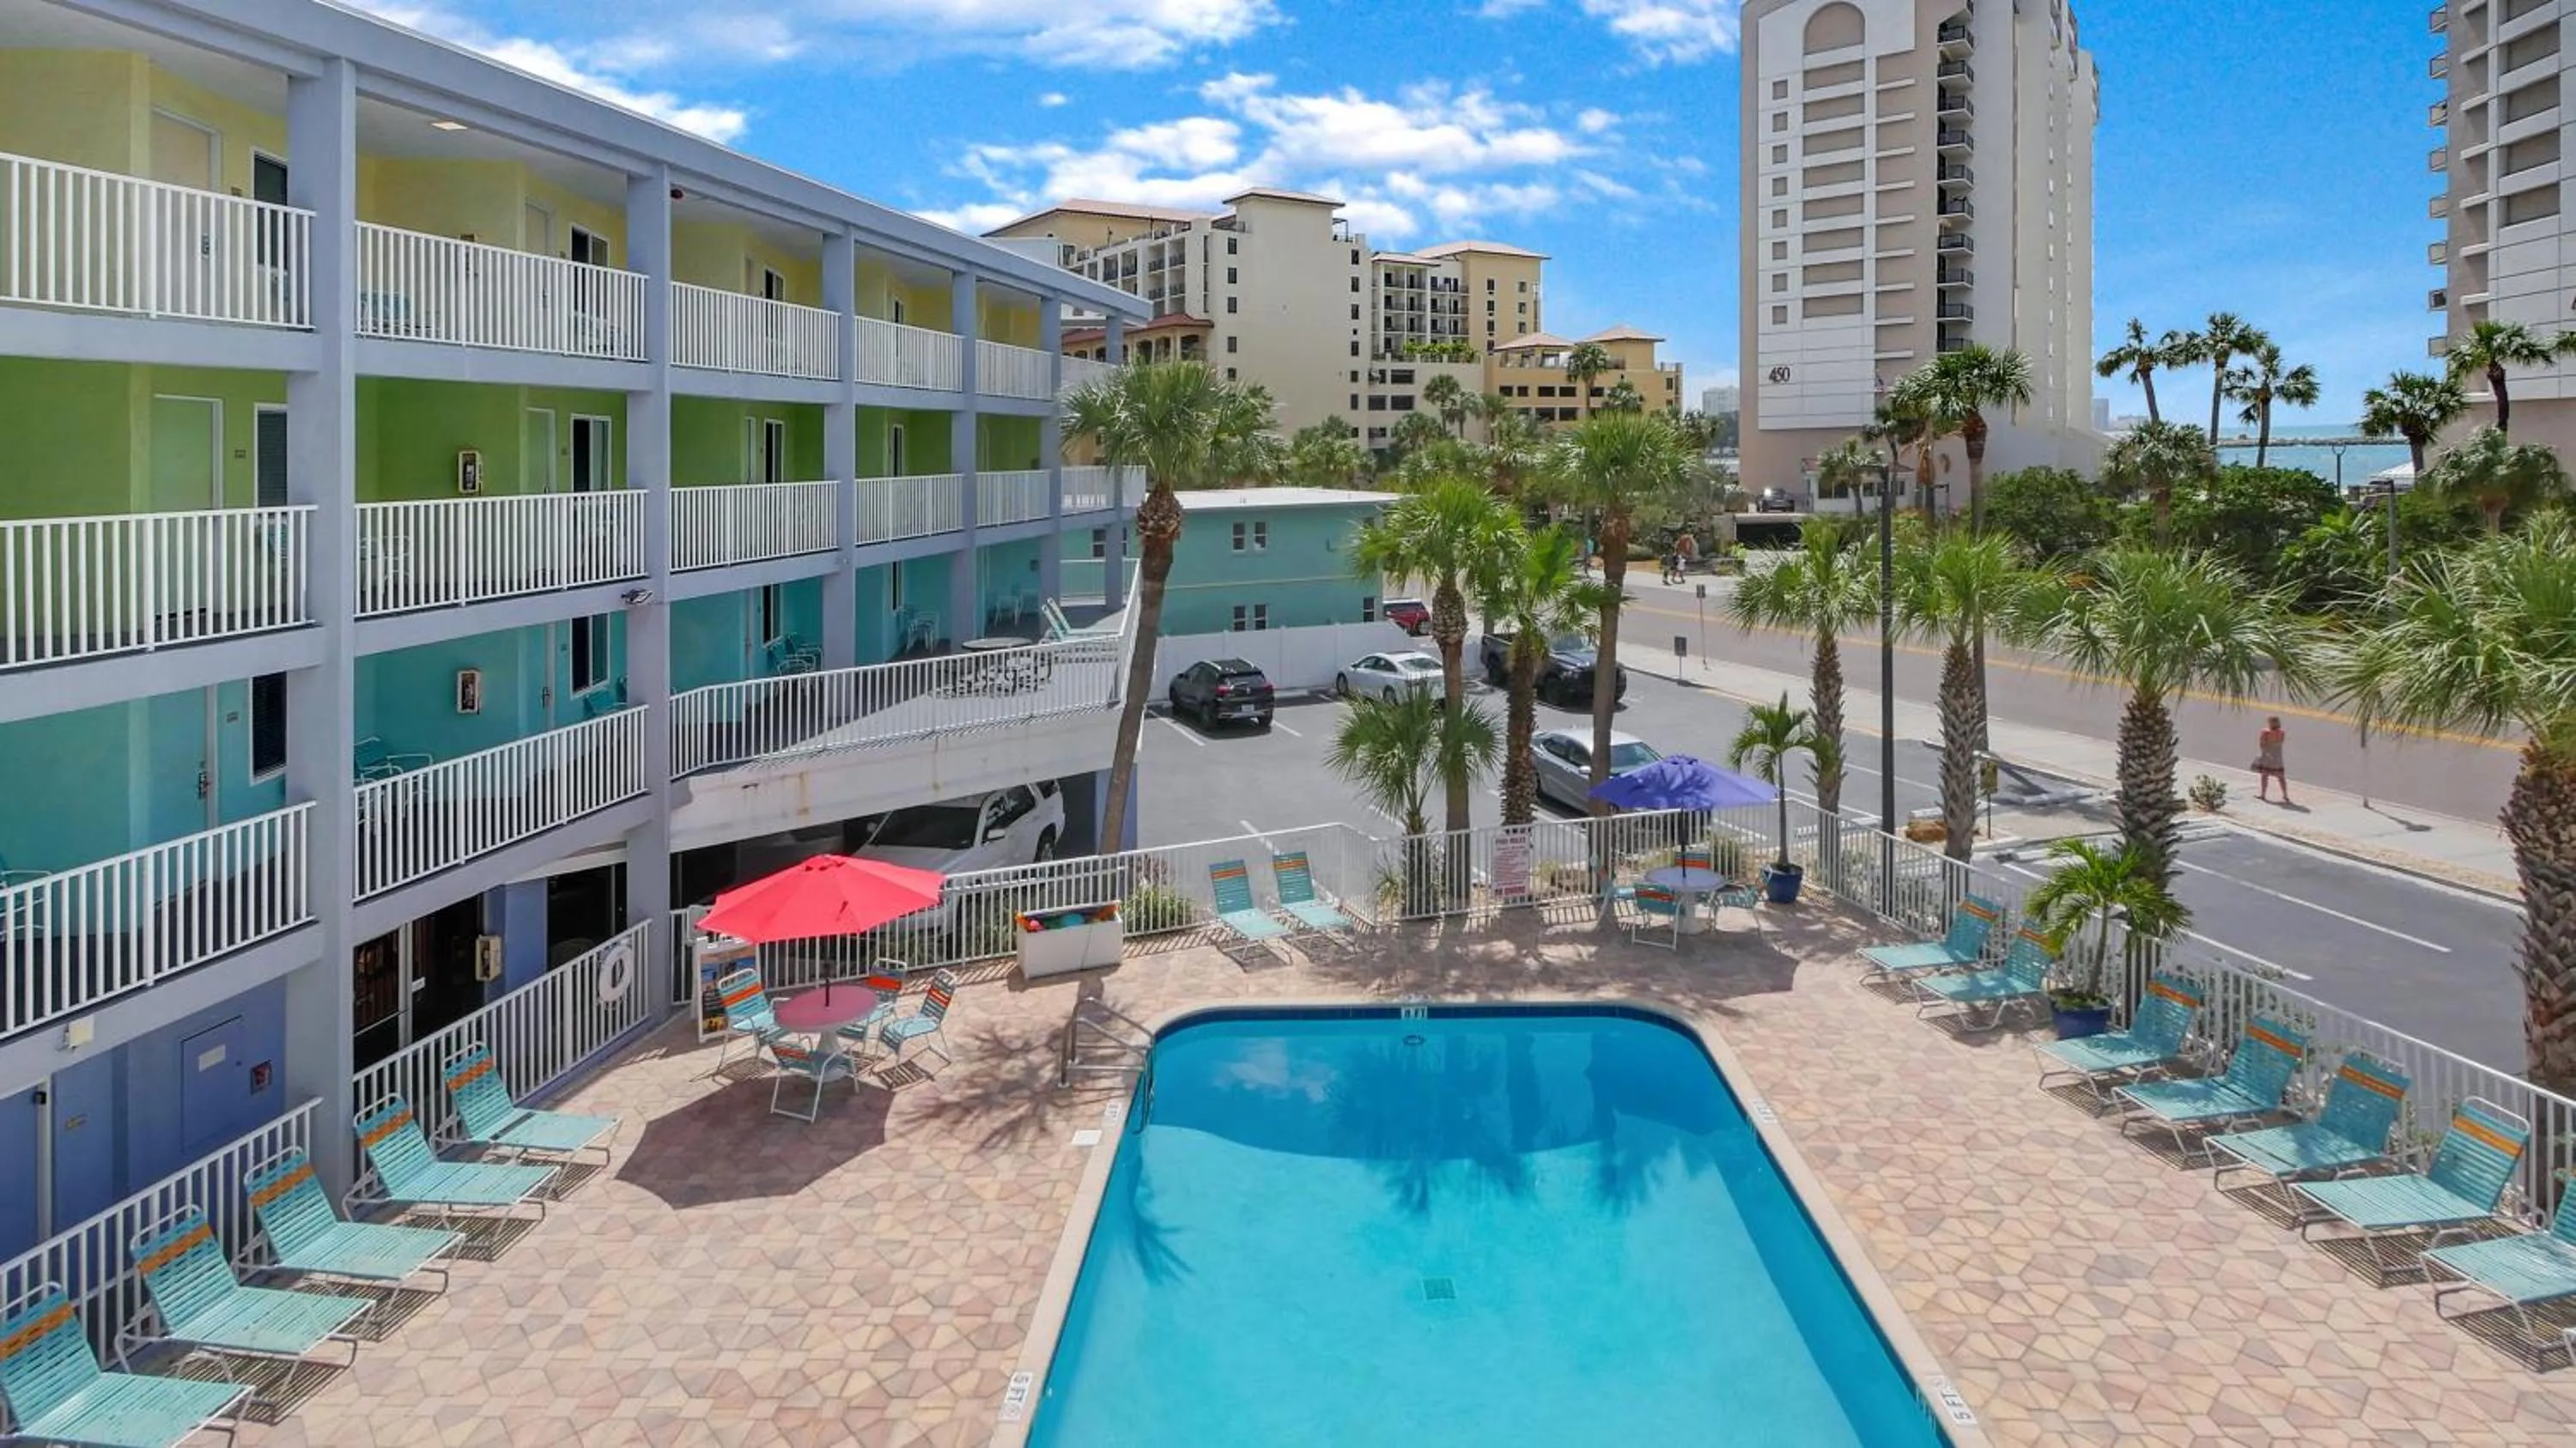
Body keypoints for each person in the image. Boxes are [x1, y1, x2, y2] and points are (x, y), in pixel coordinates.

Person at [2253, 716, 2292, 804]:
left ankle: (2263, 794)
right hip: (2278, 757)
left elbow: (2262, 744)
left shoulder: (2265, 732)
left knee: (2264, 776)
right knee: (2281, 777)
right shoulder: (2282, 733)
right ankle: (2285, 795)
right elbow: (2281, 742)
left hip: (2267, 755)